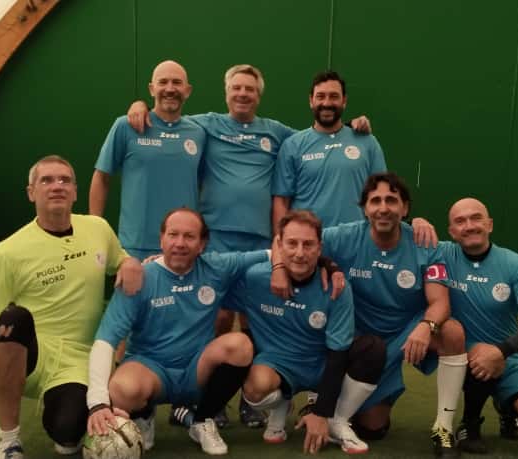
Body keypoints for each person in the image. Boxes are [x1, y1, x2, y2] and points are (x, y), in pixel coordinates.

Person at [124, 64, 373, 428]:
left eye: (250, 89)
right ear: (226, 93)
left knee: (256, 320)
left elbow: (318, 136)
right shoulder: (205, 124)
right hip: (217, 238)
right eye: (236, 88)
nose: (242, 94)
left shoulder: (277, 132)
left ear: (259, 95)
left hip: (259, 241)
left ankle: (248, 399)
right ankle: (202, 398)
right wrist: (139, 106)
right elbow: (168, 114)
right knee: (216, 317)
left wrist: (352, 126)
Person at [0, 155, 143, 459]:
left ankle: (64, 417)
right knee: (12, 318)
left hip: (81, 361)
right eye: (47, 180)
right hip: (34, 357)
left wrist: (130, 263)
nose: (57, 186)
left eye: (65, 180)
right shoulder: (8, 252)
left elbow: (121, 260)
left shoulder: (98, 229)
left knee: (68, 433)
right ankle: (9, 441)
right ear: (31, 192)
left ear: (75, 192)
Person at [273, 172, 468, 456]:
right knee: (372, 426)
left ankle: (443, 427)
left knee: (451, 331)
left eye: (392, 200)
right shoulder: (346, 236)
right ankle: (323, 400)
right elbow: (286, 241)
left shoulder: (425, 242)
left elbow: (440, 303)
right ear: (364, 208)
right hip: (359, 341)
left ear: (405, 207)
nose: (383, 208)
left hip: (405, 335)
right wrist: (280, 268)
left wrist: (426, 325)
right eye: (375, 201)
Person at [85, 207, 272, 455]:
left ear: (202, 244)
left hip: (197, 369)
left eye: (189, 236)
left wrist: (300, 266)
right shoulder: (139, 277)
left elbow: (271, 254)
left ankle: (202, 420)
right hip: (151, 369)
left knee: (240, 345)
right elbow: (105, 340)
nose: (180, 243)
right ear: (161, 239)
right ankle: (143, 416)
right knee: (122, 388)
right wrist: (97, 403)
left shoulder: (216, 266)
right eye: (173, 235)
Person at [232, 210, 386, 454]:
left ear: (319, 248)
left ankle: (337, 420)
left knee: (373, 349)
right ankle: (281, 404)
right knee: (255, 388)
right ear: (279, 245)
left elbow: (337, 354)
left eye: (308, 244)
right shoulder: (255, 278)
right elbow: (212, 276)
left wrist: (321, 413)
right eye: (292, 243)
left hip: (322, 364)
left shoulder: (336, 286)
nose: (300, 252)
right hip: (276, 363)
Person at [438, 198, 518, 454]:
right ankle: (469, 424)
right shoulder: (442, 254)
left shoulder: (515, 264)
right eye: (460, 221)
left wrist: (501, 352)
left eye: (476, 218)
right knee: (479, 351)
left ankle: (506, 406)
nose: (469, 226)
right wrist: (417, 222)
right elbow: (404, 238)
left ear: (490, 224)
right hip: (457, 353)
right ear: (451, 231)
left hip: (505, 356)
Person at [89, 60, 206, 260]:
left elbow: (204, 184)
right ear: (152, 89)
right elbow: (101, 177)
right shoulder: (126, 126)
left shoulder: (199, 133)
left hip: (183, 248)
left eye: (177, 83)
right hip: (135, 248)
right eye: (163, 82)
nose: (170, 89)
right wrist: (94, 229)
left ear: (187, 91)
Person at [271, 70, 388, 230]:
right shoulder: (292, 145)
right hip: (307, 241)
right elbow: (281, 201)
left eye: (334, 96)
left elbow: (382, 194)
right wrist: (280, 238)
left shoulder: (367, 142)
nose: (326, 103)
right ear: (311, 101)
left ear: (344, 101)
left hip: (355, 240)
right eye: (320, 96)